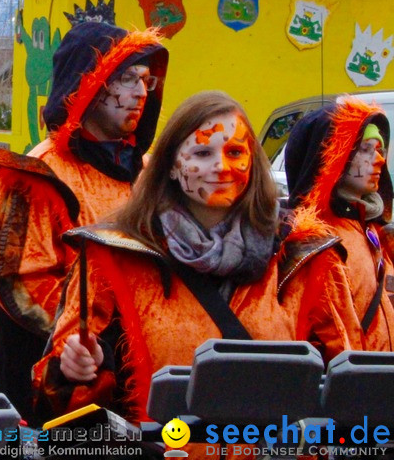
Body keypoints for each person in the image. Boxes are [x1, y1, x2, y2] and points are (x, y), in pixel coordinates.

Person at [32, 92, 358, 436]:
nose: (220, 166)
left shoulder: (305, 256)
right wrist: (77, 369)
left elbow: (348, 382)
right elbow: (60, 397)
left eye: (234, 152)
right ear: (172, 166)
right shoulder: (112, 255)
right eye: (203, 153)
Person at [0, 22, 167, 421]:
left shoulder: (149, 172)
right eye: (126, 78)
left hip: (138, 376)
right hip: (58, 381)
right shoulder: (41, 172)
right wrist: (100, 334)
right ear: (90, 85)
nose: (139, 93)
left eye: (145, 80)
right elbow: (20, 283)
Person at [284, 96, 394, 350]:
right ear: (331, 159)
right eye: (365, 150)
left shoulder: (373, 231)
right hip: (361, 384)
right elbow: (338, 344)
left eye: (380, 149)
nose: (378, 160)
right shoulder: (318, 243)